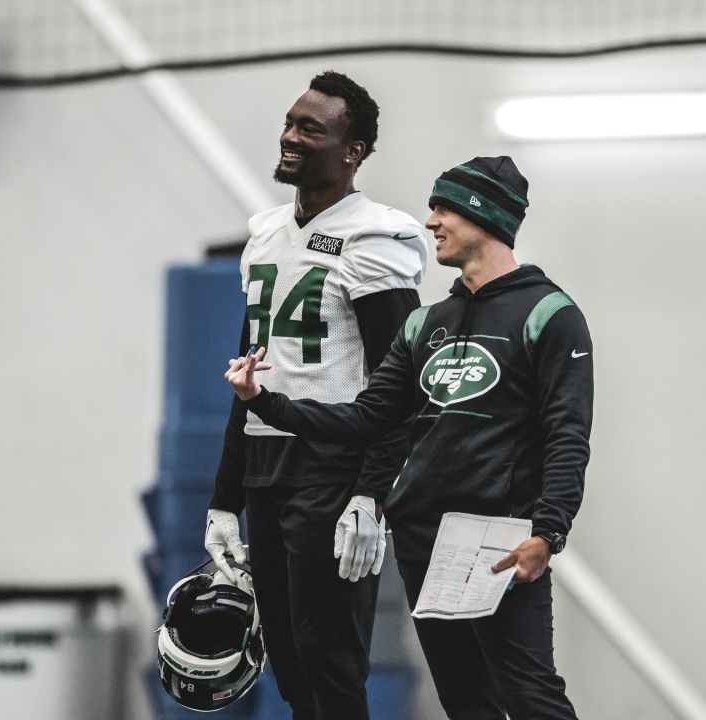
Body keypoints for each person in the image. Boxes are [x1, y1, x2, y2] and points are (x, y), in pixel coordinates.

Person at [226, 156, 590, 720]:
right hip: (424, 542)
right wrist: (264, 402)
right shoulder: (428, 322)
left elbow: (568, 435)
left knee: (531, 698)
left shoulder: (549, 314)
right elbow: (367, 417)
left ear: (484, 215)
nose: (430, 221)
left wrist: (549, 530)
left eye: (444, 208)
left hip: (501, 537)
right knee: (466, 703)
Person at [203, 71, 429, 720]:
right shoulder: (266, 234)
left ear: (352, 151)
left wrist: (372, 492)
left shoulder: (373, 237)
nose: (290, 136)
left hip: (332, 467)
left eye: (311, 128)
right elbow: (248, 377)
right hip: (267, 465)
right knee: (292, 668)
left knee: (331, 665)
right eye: (289, 121)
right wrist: (225, 499)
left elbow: (400, 381)